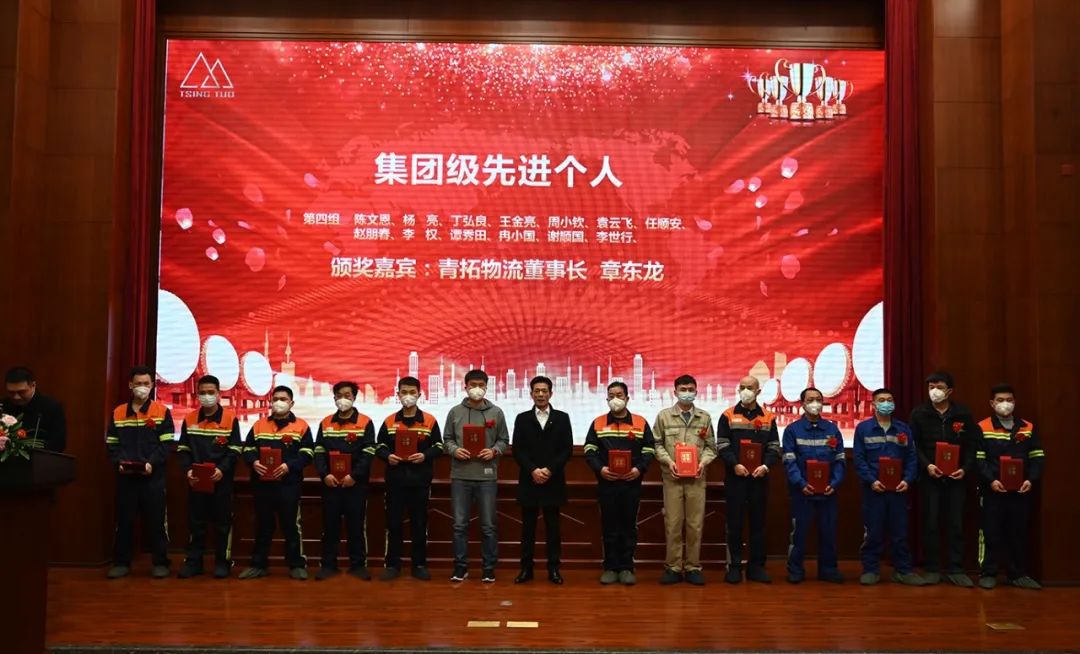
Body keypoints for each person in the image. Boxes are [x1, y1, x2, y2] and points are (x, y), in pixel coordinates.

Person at [909, 371, 979, 586]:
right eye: (931, 387)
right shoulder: (919, 413)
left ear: (949, 391)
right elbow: (914, 446)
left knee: (956, 523)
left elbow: (972, 446)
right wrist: (927, 465)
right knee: (930, 523)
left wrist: (965, 469)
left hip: (957, 478)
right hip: (930, 477)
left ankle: (956, 568)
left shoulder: (963, 414)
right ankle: (932, 568)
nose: (934, 391)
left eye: (939, 387)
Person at [583, 381, 655, 585]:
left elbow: (649, 449)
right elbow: (589, 450)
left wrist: (638, 469)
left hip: (631, 483)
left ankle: (626, 567)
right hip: (607, 483)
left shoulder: (640, 422)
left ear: (627, 398)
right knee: (609, 526)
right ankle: (610, 567)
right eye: (611, 395)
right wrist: (600, 469)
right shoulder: (598, 423)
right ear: (606, 399)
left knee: (628, 526)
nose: (615, 399)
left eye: (619, 395)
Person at [105, 365, 173, 579]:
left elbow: (166, 445)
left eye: (146, 383)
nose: (142, 387)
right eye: (138, 383)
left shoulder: (162, 412)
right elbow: (112, 444)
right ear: (130, 385)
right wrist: (119, 462)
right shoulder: (118, 412)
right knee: (124, 521)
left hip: (153, 478)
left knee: (156, 522)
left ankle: (160, 563)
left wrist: (152, 463)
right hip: (126, 479)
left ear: (152, 385)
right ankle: (121, 563)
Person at [239, 385, 314, 580]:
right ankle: (258, 565)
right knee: (262, 525)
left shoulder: (301, 426)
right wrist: (254, 462)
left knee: (291, 526)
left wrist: (289, 466)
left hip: (289, 484)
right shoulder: (259, 425)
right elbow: (248, 449)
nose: (278, 402)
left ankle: (296, 565)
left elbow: (307, 453)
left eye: (283, 399)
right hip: (262, 485)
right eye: (275, 399)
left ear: (291, 403)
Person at [853, 388, 926, 586]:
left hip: (898, 490)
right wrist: (871, 480)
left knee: (900, 532)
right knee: (873, 532)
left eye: (889, 399)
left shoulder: (903, 429)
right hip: (873, 490)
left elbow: (911, 457)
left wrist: (907, 480)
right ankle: (870, 569)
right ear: (873, 405)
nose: (886, 403)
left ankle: (903, 571)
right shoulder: (863, 429)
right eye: (882, 400)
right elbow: (859, 459)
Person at [975, 384, 1045, 590]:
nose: (1005, 403)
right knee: (990, 532)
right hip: (992, 491)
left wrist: (1030, 479)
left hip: (1020, 491)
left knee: (1018, 532)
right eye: (1000, 400)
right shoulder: (983, 427)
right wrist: (991, 480)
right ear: (992, 403)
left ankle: (1017, 574)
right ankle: (988, 573)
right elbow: (979, 459)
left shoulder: (1027, 427)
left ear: (1015, 402)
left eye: (1009, 400)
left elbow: (1037, 456)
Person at [443, 369, 509, 583]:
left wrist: (494, 451)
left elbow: (503, 440)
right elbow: (447, 439)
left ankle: (488, 568)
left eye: (481, 385)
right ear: (466, 387)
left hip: (487, 476)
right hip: (460, 476)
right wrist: (454, 450)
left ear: (486, 387)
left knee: (488, 525)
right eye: (473, 385)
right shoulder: (455, 412)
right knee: (459, 525)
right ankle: (460, 567)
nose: (477, 389)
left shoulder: (496, 412)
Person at [376, 376, 443, 581]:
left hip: (420, 481)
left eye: (412, 392)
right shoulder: (389, 421)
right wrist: (387, 456)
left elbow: (439, 446)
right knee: (393, 523)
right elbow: (379, 446)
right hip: (395, 480)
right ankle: (392, 565)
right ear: (398, 394)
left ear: (419, 394)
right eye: (404, 392)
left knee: (419, 523)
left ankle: (419, 564)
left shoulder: (429, 420)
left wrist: (425, 455)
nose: (408, 396)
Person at [651, 374, 717, 585]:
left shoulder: (704, 418)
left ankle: (692, 567)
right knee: (673, 523)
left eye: (690, 389)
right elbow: (656, 444)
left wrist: (702, 463)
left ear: (696, 392)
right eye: (683, 389)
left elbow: (711, 447)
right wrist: (669, 462)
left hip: (697, 478)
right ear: (675, 392)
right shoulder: (664, 416)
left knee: (695, 524)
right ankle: (673, 567)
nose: (686, 393)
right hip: (672, 478)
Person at [177, 374, 242, 579]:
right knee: (196, 523)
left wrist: (222, 469)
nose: (206, 396)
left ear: (219, 394)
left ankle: (223, 562)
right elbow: (183, 449)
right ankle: (194, 562)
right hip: (196, 481)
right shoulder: (189, 419)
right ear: (197, 395)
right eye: (202, 393)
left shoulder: (230, 419)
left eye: (211, 392)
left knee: (223, 523)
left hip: (221, 481)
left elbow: (234, 450)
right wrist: (188, 470)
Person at [716, 376, 781, 584]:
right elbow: (722, 445)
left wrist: (766, 466)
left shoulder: (768, 417)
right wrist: (734, 464)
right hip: (736, 478)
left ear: (758, 391)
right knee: (734, 524)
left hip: (759, 478)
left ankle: (756, 567)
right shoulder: (727, 415)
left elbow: (774, 447)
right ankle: (735, 566)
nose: (745, 391)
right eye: (742, 387)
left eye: (750, 387)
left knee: (758, 524)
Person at [512, 375, 573, 585]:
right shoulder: (522, 418)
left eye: (544, 391)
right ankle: (526, 569)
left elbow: (566, 449)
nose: (540, 394)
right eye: (536, 391)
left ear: (551, 394)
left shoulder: (562, 418)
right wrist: (533, 470)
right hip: (529, 480)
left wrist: (549, 470)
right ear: (531, 394)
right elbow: (518, 450)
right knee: (527, 529)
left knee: (553, 529)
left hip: (553, 481)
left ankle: (554, 569)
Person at [313, 381, 376, 581]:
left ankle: (358, 565)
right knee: (329, 526)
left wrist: (354, 476)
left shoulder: (365, 422)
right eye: (339, 395)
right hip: (330, 484)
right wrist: (325, 475)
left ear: (354, 398)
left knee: (356, 526)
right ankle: (328, 565)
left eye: (347, 395)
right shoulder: (325, 423)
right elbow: (319, 451)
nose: (343, 399)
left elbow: (368, 452)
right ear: (334, 398)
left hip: (355, 485)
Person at [781, 387, 846, 584]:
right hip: (802, 492)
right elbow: (789, 462)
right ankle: (795, 569)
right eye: (810, 400)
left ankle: (828, 569)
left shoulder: (832, 429)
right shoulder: (792, 430)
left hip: (828, 492)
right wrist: (801, 483)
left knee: (828, 532)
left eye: (818, 399)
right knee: (799, 533)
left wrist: (834, 483)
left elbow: (840, 460)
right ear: (802, 404)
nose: (815, 403)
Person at [4, 366, 66, 452]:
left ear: (33, 385)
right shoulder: (3, 405)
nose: (16, 397)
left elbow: (57, 444)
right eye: (11, 392)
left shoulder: (51, 407)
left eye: (21, 392)